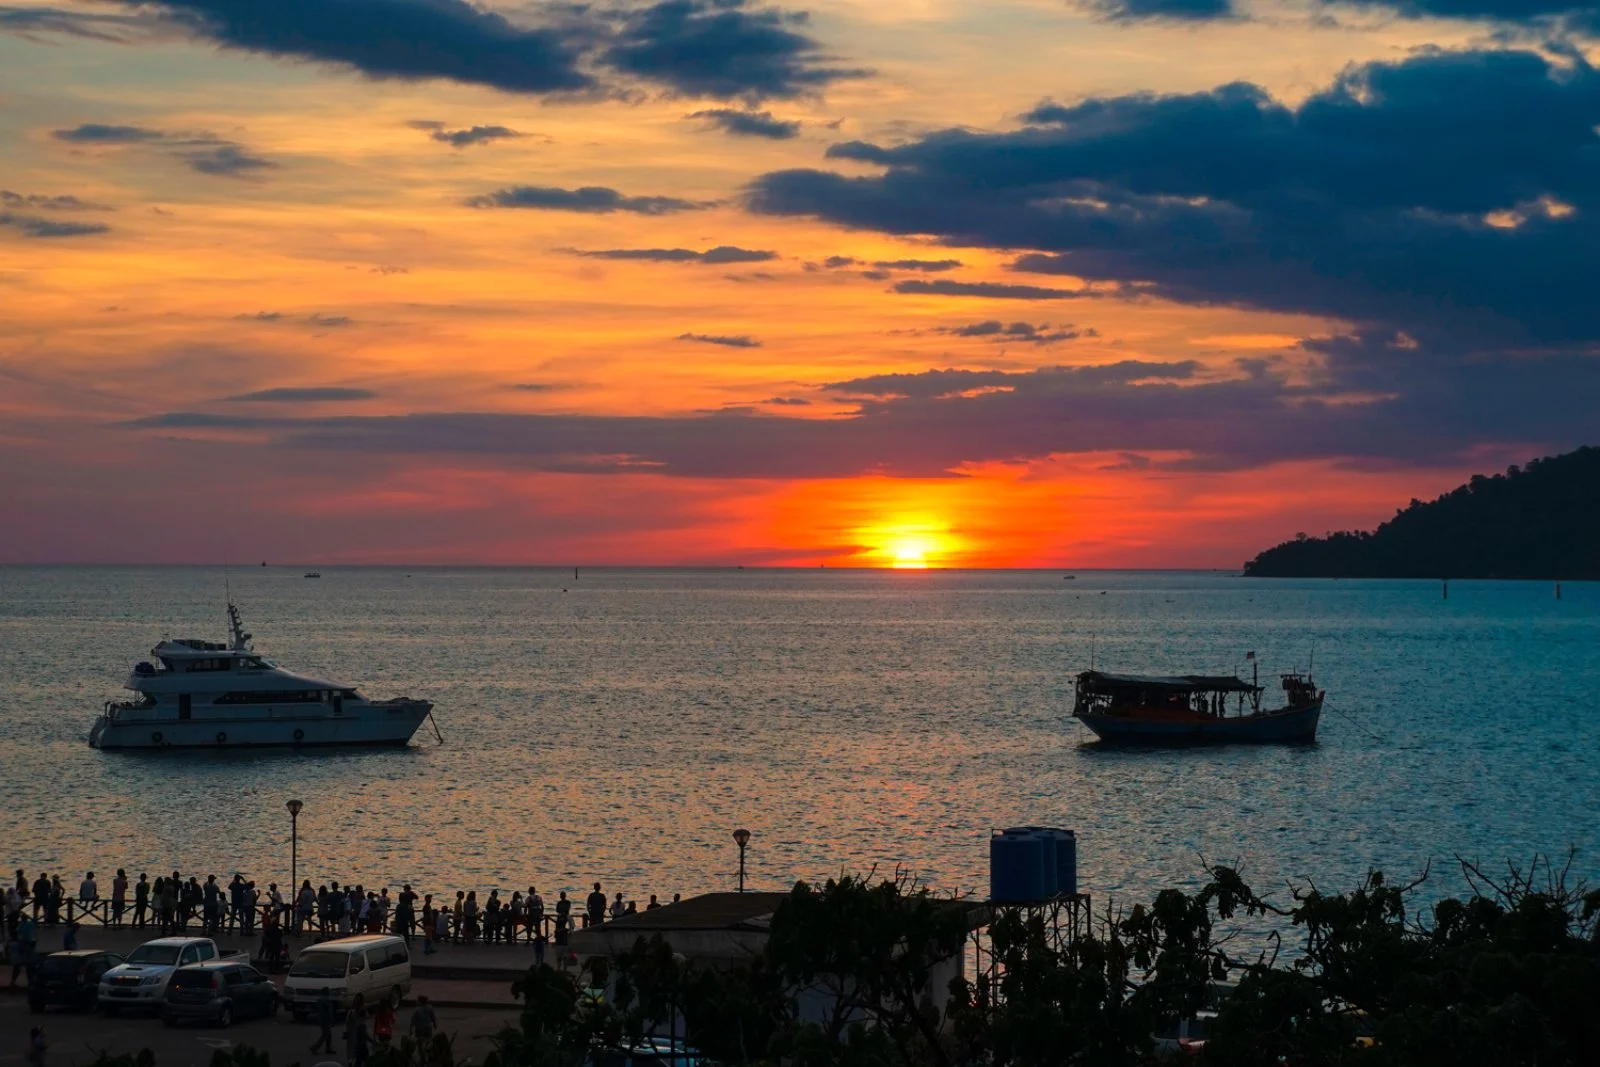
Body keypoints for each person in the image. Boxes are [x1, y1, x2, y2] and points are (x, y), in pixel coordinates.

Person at [309, 987, 338, 1056]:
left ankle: (328, 1048)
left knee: (328, 1034)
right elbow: (329, 1012)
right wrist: (332, 1020)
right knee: (325, 1035)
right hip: (326, 1019)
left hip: (321, 1019)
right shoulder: (327, 1000)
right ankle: (315, 1047)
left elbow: (317, 1009)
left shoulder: (319, 1000)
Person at [344, 998, 371, 1067]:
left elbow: (347, 1022)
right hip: (358, 1039)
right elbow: (365, 1034)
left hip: (352, 1033)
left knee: (351, 1048)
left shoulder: (351, 1012)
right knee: (362, 1057)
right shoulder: (361, 1021)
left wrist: (347, 1031)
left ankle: (350, 1061)